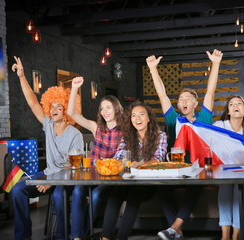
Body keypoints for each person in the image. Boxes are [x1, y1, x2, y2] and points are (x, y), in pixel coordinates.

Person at [146, 49, 223, 240]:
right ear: (179, 105)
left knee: (195, 183)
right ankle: (176, 230)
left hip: (198, 170)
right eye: (181, 99)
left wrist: (215, 64)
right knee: (160, 187)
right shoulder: (173, 120)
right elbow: (162, 95)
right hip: (176, 169)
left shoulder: (204, 118)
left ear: (196, 103)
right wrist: (153, 69)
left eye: (188, 98)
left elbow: (211, 91)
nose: (184, 101)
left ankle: (174, 228)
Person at [11, 56, 84, 240]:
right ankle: (23, 236)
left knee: (59, 197)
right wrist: (21, 76)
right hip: (48, 173)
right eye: (52, 106)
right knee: (17, 189)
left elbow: (75, 166)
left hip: (66, 179)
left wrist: (52, 182)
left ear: (66, 109)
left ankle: (61, 236)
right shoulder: (48, 125)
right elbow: (32, 102)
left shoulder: (75, 135)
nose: (54, 110)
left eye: (59, 106)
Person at [51, 77, 124, 240]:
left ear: (117, 109)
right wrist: (75, 88)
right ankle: (77, 237)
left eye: (108, 107)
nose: (104, 111)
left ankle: (82, 232)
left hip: (108, 178)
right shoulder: (96, 128)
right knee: (77, 191)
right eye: (102, 108)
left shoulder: (124, 132)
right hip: (90, 174)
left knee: (97, 196)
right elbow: (71, 114)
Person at [101, 101, 167, 240]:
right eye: (134, 116)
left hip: (150, 182)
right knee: (114, 195)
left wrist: (140, 165)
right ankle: (105, 238)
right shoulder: (127, 137)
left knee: (133, 197)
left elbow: (158, 159)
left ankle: (121, 238)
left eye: (141, 115)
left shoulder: (160, 135)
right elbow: (118, 157)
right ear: (130, 120)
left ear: (148, 118)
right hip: (129, 180)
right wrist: (123, 163)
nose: (138, 119)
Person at [213, 96, 244, 240]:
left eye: (239, 104)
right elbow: (207, 139)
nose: (235, 106)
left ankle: (236, 235)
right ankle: (225, 236)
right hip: (222, 173)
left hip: (243, 175)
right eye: (231, 104)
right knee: (226, 186)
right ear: (228, 111)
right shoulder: (220, 125)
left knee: (240, 187)